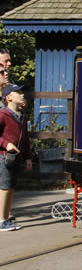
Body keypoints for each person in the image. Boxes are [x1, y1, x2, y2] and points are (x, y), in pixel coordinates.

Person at [0, 83, 32, 231]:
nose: (22, 94)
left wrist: (27, 157)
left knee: (11, 187)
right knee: (5, 187)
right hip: (4, 156)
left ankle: (5, 217)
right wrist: (6, 144)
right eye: (18, 92)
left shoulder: (21, 117)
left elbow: (25, 139)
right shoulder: (3, 115)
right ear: (9, 97)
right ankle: (2, 220)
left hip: (16, 157)